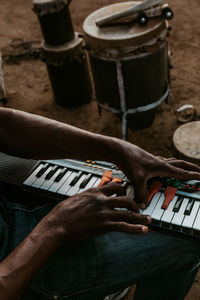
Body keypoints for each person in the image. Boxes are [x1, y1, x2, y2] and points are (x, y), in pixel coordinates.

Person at [1, 107, 200, 300]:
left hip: (8, 188)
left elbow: (4, 125)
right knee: (186, 239)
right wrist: (55, 228)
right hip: (16, 267)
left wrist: (116, 149)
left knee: (138, 185)